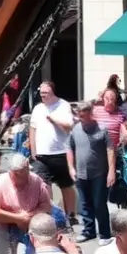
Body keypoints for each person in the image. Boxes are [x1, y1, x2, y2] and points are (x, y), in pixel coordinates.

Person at [67, 101, 116, 243]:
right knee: (85, 204)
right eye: (79, 115)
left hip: (99, 173)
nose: (81, 118)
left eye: (84, 116)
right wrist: (71, 168)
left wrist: (111, 171)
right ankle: (89, 231)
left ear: (90, 113)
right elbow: (69, 148)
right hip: (81, 173)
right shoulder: (75, 129)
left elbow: (110, 150)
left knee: (99, 203)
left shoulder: (102, 129)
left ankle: (105, 234)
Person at [29, 81, 78, 221]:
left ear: (53, 92)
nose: (43, 96)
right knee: (44, 185)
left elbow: (69, 127)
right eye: (41, 93)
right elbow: (32, 129)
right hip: (42, 154)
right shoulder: (38, 108)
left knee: (66, 185)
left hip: (61, 153)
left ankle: (71, 215)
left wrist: (54, 120)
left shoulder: (63, 105)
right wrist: (33, 150)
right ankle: (49, 215)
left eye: (46, 93)